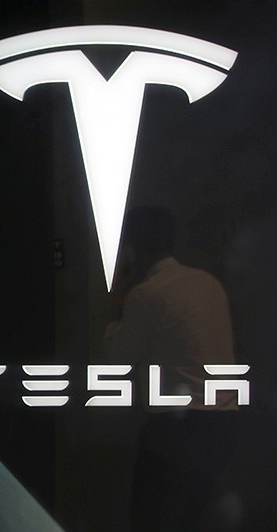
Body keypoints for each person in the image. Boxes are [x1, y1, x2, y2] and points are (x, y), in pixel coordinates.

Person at [105, 205, 239, 531]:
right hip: (224, 424)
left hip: (178, 431)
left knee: (150, 521)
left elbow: (115, 362)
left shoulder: (145, 295)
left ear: (132, 249)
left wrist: (117, 295)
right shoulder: (209, 283)